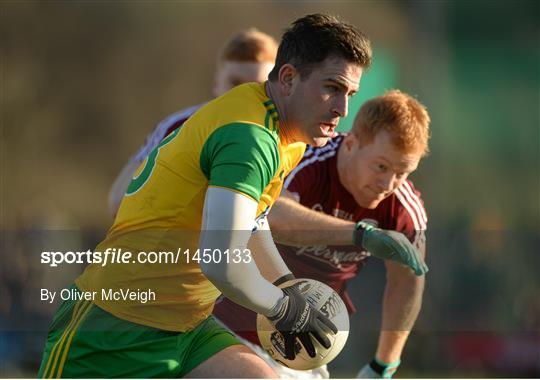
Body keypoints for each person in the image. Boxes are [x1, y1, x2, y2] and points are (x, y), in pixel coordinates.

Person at [37, 13, 420, 378]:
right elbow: (220, 261)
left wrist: (285, 284)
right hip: (114, 326)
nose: (343, 108)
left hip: (189, 328)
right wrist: (284, 308)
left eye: (351, 92)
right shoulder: (249, 136)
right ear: (287, 78)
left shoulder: (287, 133)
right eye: (332, 88)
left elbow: (253, 222)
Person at [213, 90, 431, 378]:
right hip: (227, 323)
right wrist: (359, 234)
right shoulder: (307, 156)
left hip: (304, 348)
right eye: (381, 166)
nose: (388, 183)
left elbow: (407, 283)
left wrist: (383, 365)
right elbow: (270, 215)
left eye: (402, 172)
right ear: (351, 143)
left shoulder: (404, 209)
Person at [108, 28, 278, 216]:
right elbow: (119, 200)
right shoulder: (177, 125)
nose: (243, 94)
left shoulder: (288, 138)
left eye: (255, 86)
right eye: (235, 83)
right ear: (216, 84)